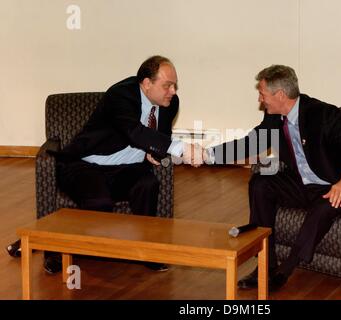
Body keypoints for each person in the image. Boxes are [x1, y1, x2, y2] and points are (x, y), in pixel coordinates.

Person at [6, 55, 200, 274]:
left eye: (175, 85)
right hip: (87, 165)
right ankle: (53, 249)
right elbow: (133, 132)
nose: (173, 91)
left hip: (127, 169)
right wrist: (180, 148)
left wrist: (155, 153)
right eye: (167, 85)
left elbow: (159, 137)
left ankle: (147, 251)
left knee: (148, 185)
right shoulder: (120, 95)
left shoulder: (170, 103)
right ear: (147, 84)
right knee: (99, 203)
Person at [204, 65, 341, 291]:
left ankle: (286, 269)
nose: (260, 99)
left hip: (329, 184)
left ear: (280, 95)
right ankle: (266, 265)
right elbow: (249, 143)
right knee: (261, 183)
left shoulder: (323, 115)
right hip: (300, 182)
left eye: (262, 94)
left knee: (323, 210)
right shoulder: (274, 117)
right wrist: (207, 154)